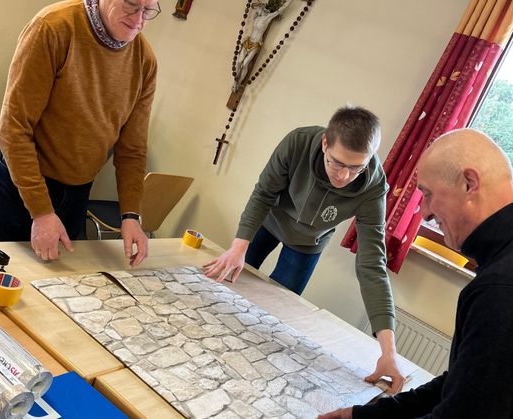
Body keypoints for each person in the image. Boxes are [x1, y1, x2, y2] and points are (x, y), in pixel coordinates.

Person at [204, 105, 404, 393]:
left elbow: (372, 265)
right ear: (325, 144)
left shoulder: (374, 188)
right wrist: (239, 244)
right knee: (228, 282)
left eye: (355, 168)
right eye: (337, 163)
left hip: (308, 243)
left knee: (272, 314)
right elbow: (263, 194)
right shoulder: (298, 142)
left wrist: (389, 351)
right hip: (269, 221)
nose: (344, 176)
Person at [320, 128, 513, 418]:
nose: (425, 213)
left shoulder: (500, 289)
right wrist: (362, 416)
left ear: (469, 183)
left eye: (428, 194)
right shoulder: (499, 263)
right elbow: (461, 385)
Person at [0, 0, 160, 267]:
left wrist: (131, 215)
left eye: (148, 10)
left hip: (77, 191)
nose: (138, 19)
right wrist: (41, 211)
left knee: (56, 279)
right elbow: (13, 129)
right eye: (131, 5)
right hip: (23, 181)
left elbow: (132, 149)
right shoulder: (53, 27)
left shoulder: (145, 61)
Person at [233, 0, 292, 92]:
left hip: (256, 44)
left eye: (260, 9)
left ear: (265, 10)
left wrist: (288, 2)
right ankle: (235, 82)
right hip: (248, 41)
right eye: (258, 9)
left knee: (245, 64)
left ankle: (240, 82)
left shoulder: (268, 18)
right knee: (239, 61)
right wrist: (257, 6)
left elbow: (280, 10)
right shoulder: (256, 18)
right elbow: (254, 6)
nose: (258, 10)